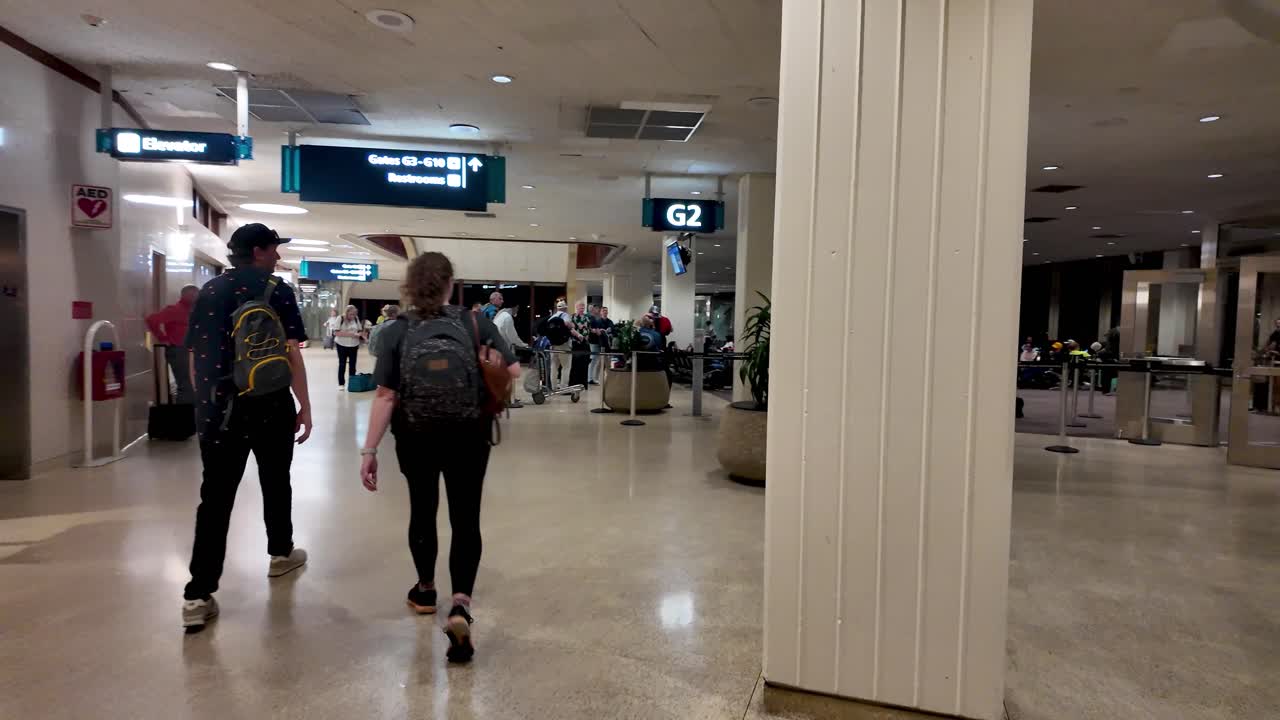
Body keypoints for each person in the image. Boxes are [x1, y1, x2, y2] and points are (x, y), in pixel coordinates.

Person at [359, 251, 520, 664]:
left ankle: (426, 590)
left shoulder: (397, 329)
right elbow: (513, 371)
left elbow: (385, 396)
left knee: (422, 509)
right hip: (469, 434)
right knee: (465, 518)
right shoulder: (474, 322)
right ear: (450, 283)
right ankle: (461, 604)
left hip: (416, 436)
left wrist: (369, 450)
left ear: (411, 286)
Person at [180, 223, 312, 630]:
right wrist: (305, 406)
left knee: (215, 498)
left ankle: (198, 595)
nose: (277, 256)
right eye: (273, 249)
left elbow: (194, 355)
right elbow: (291, 353)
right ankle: (280, 553)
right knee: (276, 479)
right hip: (270, 404)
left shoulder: (209, 291)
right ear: (257, 251)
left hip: (219, 411)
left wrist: (205, 404)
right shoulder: (277, 290)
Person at [146, 284, 199, 404]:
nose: (195, 297)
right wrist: (162, 338)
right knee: (186, 386)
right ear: (185, 295)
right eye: (192, 295)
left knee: (191, 384)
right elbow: (152, 320)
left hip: (189, 351)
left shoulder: (194, 311)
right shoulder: (175, 310)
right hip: (179, 351)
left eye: (196, 295)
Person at [494, 305, 529, 406]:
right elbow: (512, 336)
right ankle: (509, 401)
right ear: (515, 307)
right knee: (509, 376)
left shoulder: (500, 315)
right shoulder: (507, 317)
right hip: (505, 350)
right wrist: (523, 344)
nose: (517, 310)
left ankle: (507, 398)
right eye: (517, 308)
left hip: (499, 349)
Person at [334, 305, 366, 389]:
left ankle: (352, 383)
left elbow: (359, 330)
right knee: (342, 364)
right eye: (351, 314)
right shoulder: (340, 318)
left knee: (353, 365)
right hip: (341, 344)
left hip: (354, 345)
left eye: (354, 314)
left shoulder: (356, 319)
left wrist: (362, 335)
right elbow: (336, 333)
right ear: (346, 313)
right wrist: (352, 334)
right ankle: (341, 384)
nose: (353, 316)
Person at [547, 300, 574, 389]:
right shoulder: (566, 315)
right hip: (564, 345)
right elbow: (567, 324)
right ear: (565, 308)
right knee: (566, 366)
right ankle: (563, 387)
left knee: (554, 366)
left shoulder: (552, 317)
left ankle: (553, 386)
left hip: (553, 345)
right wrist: (572, 325)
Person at [569, 302, 592, 388]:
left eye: (583, 307)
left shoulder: (587, 318)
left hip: (585, 343)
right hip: (576, 343)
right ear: (576, 307)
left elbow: (589, 329)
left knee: (585, 364)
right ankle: (574, 384)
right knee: (575, 364)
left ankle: (583, 384)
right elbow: (571, 330)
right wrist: (578, 336)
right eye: (580, 307)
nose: (582, 309)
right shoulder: (572, 317)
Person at [589, 306, 614, 384]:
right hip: (598, 344)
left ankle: (607, 378)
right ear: (601, 312)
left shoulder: (610, 322)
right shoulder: (597, 321)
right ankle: (595, 378)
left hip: (607, 345)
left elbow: (613, 331)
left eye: (606, 311)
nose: (605, 312)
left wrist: (610, 332)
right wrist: (601, 331)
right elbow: (594, 331)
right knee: (598, 362)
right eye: (603, 311)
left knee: (607, 362)